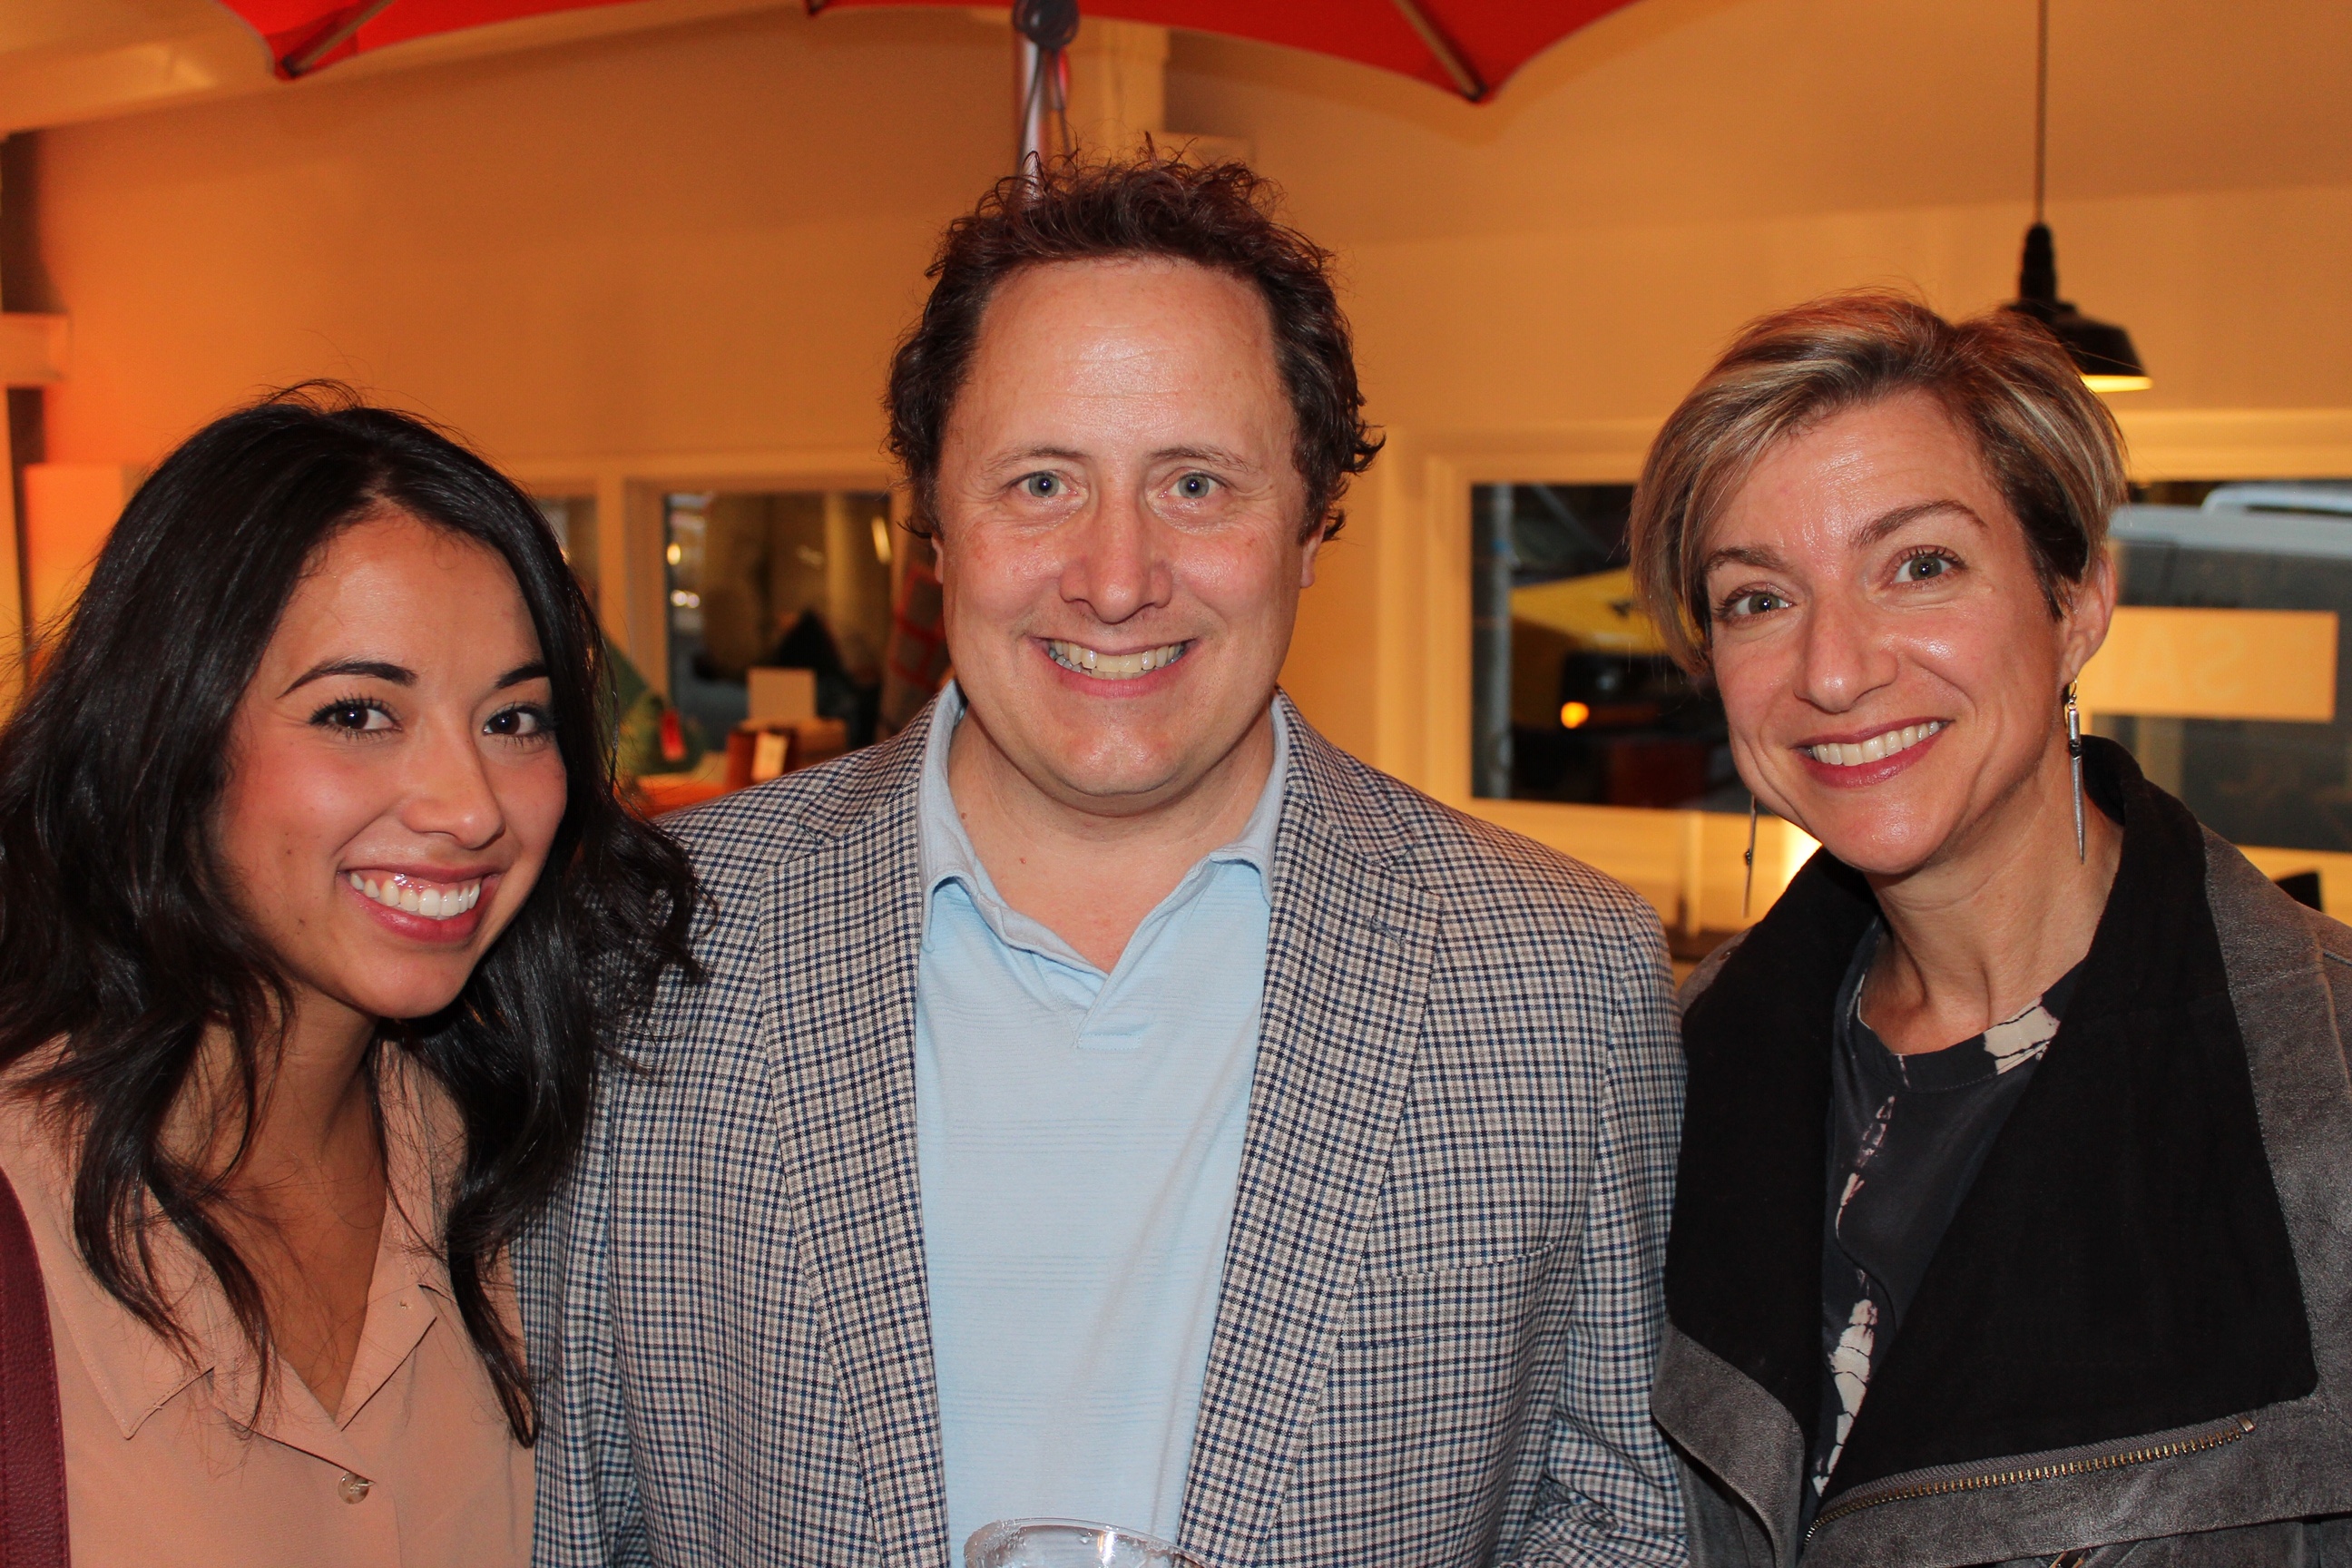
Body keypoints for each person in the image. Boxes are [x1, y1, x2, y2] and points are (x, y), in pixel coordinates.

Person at [523, 155, 1689, 1567]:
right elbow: (576, 1507)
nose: (1118, 577)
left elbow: (1606, 1513)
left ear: (1312, 526)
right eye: (1040, 482)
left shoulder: (1562, 980)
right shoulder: (652, 939)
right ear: (933, 526)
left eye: (1196, 483)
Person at [1632, 292, 2352, 1563]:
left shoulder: (2324, 1076)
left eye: (1920, 565)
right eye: (1758, 599)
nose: (1835, 670)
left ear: (2075, 604)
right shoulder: (1673, 1064)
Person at [0, 391, 698, 1566]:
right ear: (167, 735)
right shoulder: (26, 1231)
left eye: (515, 719)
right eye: (360, 712)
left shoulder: (531, 1186)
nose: (470, 807)